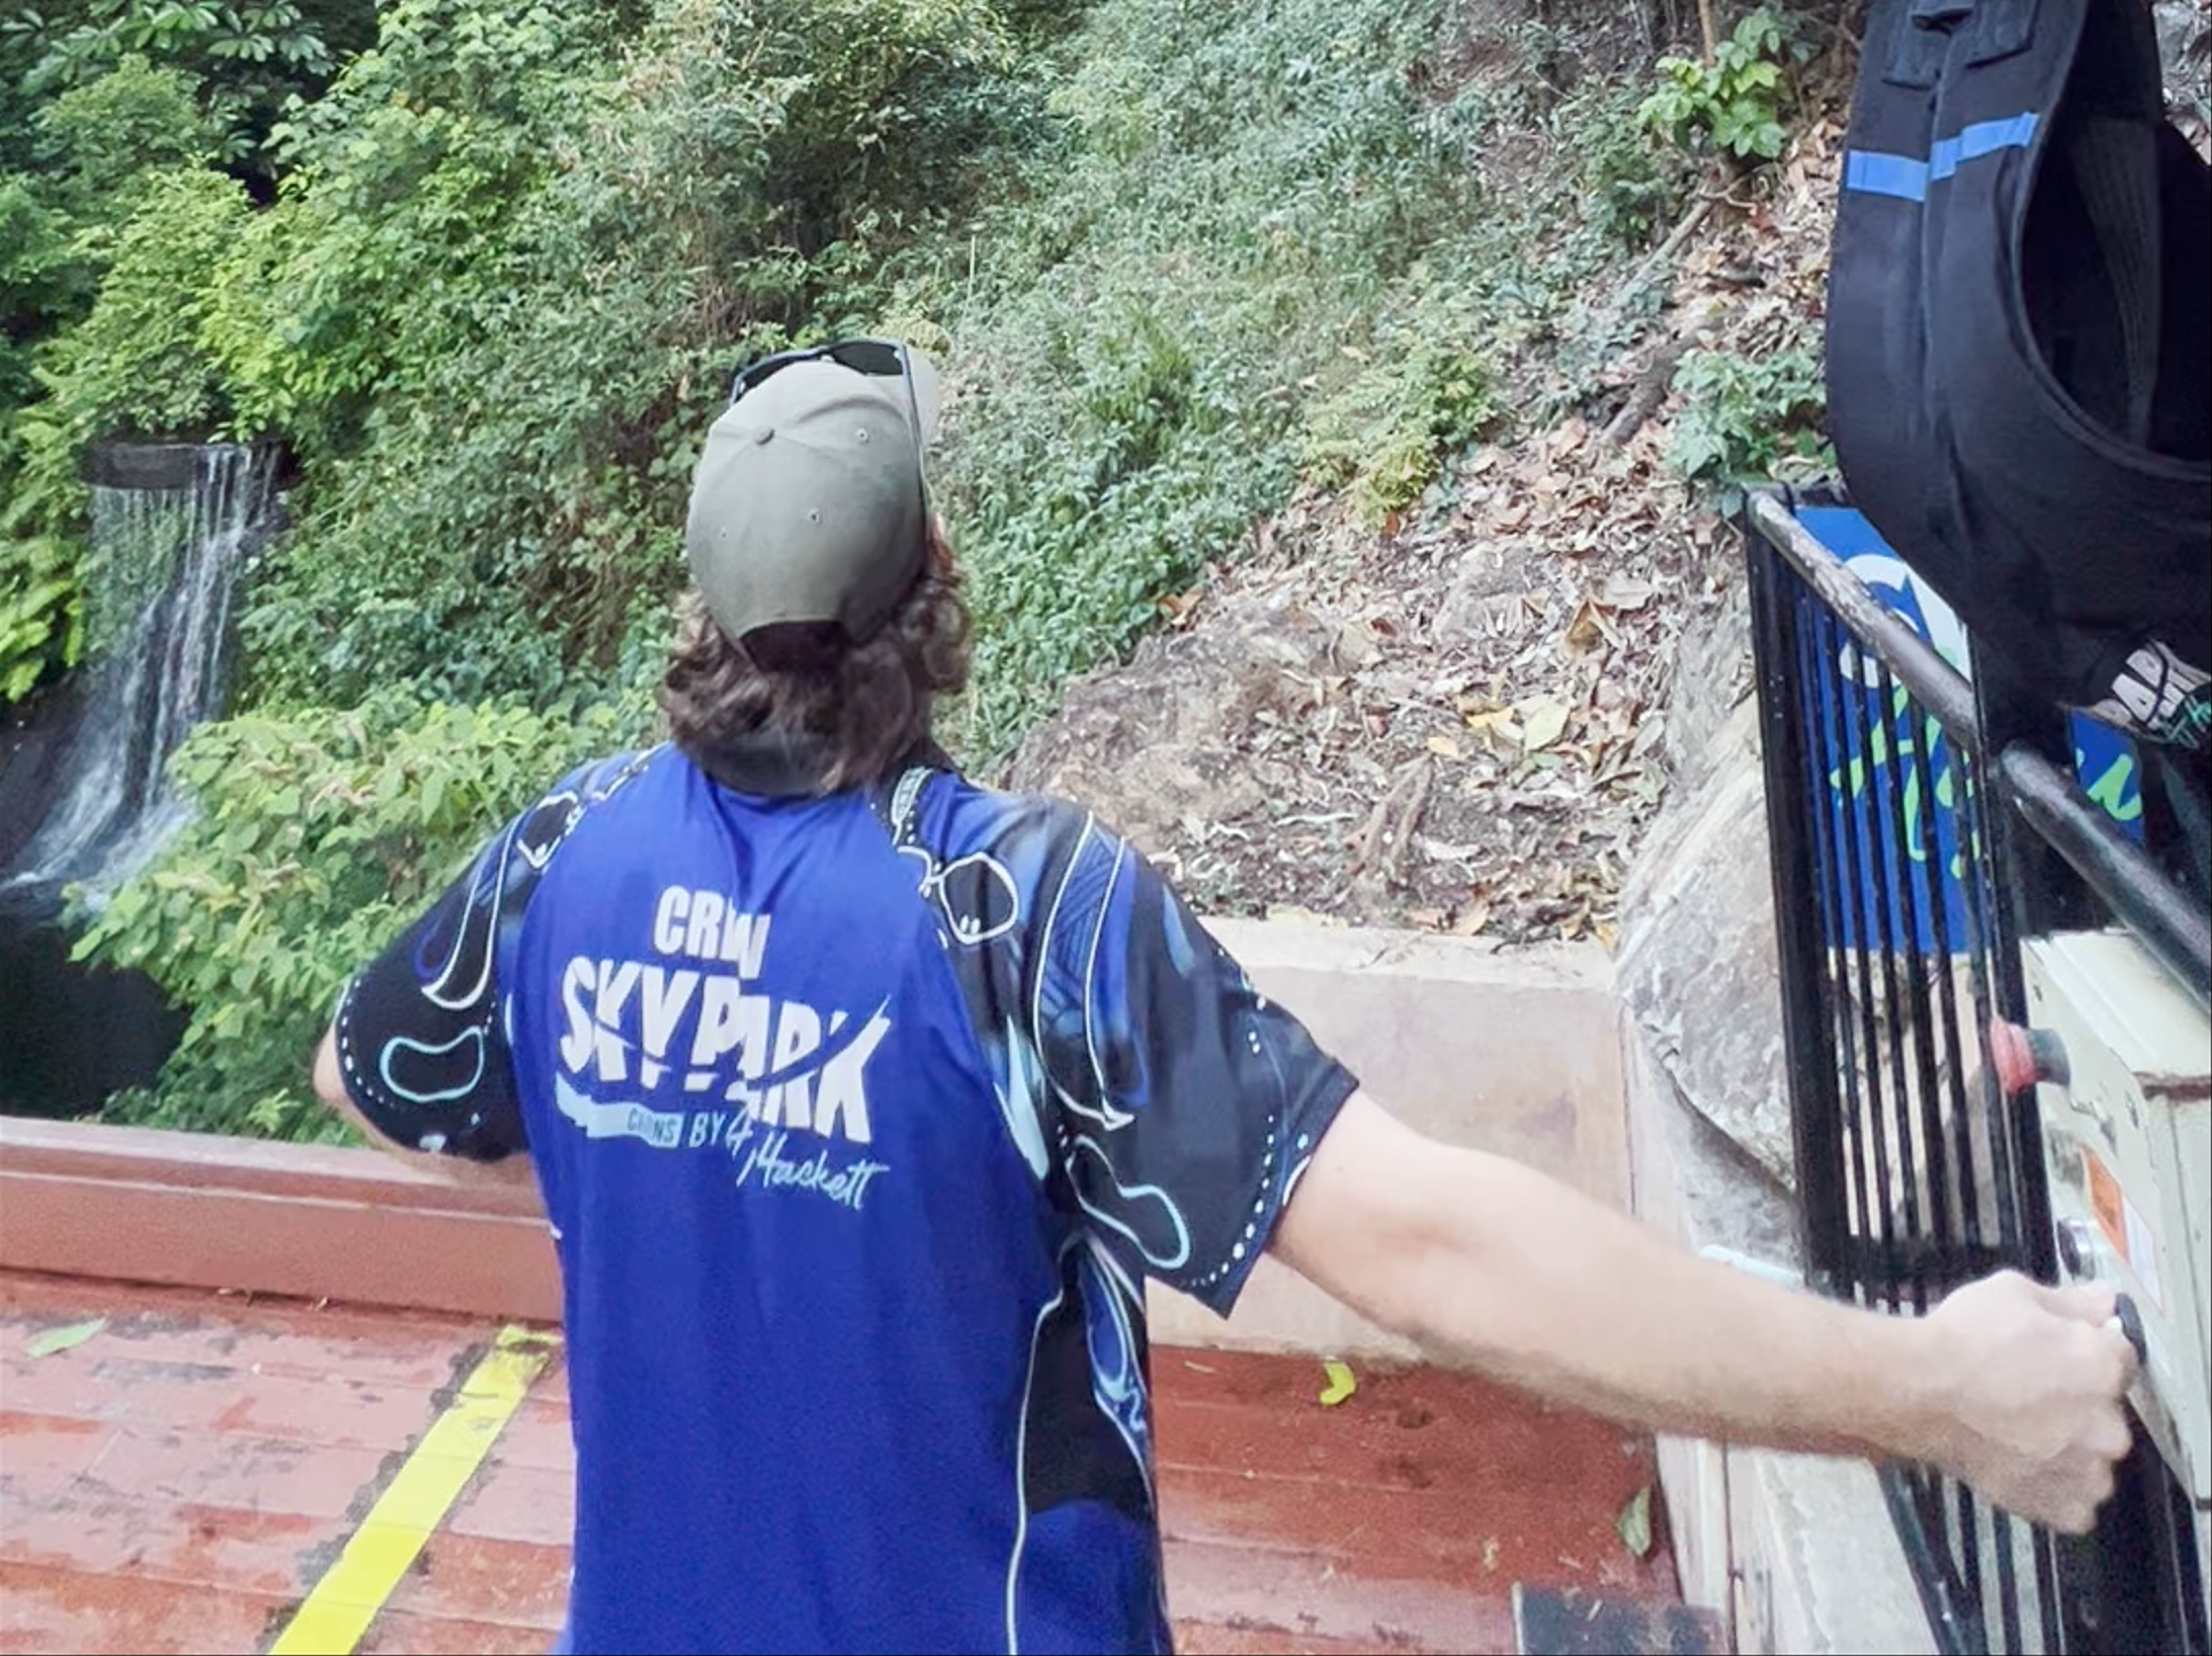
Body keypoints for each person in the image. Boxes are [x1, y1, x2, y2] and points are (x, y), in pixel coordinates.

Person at [319, 335, 2138, 1656]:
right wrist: (1935, 1389)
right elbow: (1426, 1250)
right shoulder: (1016, 916)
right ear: (935, 590)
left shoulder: (563, 856)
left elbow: (364, 1075)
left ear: (703, 615)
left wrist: (668, 1138)